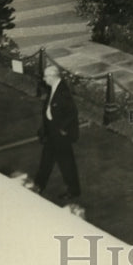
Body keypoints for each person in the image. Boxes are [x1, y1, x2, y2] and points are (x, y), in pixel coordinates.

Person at [34, 63, 81, 201]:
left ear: (53, 77)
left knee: (66, 163)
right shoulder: (55, 87)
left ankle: (74, 190)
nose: (44, 79)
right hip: (52, 132)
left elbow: (72, 113)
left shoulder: (63, 92)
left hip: (60, 135)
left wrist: (62, 129)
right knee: (46, 161)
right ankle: (38, 186)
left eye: (46, 76)